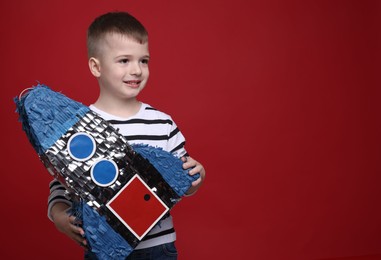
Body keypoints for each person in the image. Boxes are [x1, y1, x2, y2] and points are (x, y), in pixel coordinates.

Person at [47, 11, 206, 259]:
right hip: (104, 248)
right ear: (96, 67)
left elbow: (183, 182)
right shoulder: (78, 128)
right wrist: (58, 215)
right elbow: (63, 183)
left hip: (158, 247)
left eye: (144, 60)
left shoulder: (162, 123)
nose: (137, 70)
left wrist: (197, 176)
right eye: (124, 60)